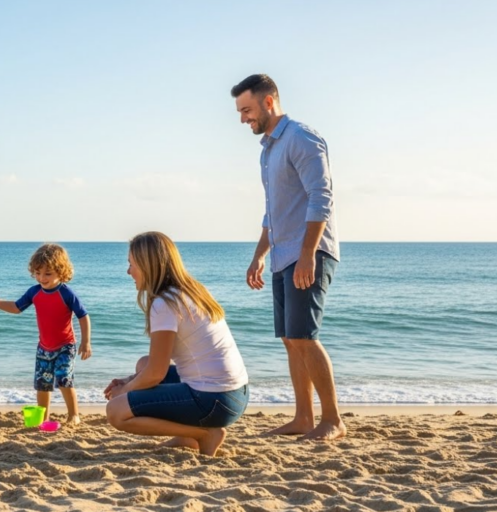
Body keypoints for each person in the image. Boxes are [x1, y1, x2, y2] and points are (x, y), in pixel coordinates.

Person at [231, 74, 344, 441]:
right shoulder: (268, 149)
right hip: (282, 254)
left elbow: (321, 198)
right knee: (290, 338)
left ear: (268, 102)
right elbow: (273, 211)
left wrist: (309, 254)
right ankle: (302, 418)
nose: (243, 118)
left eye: (246, 109)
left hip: (307, 252)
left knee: (305, 337)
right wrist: (258, 256)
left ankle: (333, 421)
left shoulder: (301, 137)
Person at [105, 232, 249, 457]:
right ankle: (186, 436)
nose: (128, 271)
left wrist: (123, 391)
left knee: (116, 411)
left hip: (213, 400)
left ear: (147, 265)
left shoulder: (165, 303)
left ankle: (202, 434)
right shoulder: (191, 291)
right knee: (142, 364)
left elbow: (156, 373)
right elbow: (152, 366)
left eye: (131, 264)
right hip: (235, 394)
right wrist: (129, 381)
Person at [0, 243, 92, 425]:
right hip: (44, 347)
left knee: (64, 379)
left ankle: (73, 415)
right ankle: (44, 418)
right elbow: (16, 308)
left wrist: (86, 342)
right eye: (37, 272)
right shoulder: (34, 292)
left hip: (66, 345)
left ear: (61, 271)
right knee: (43, 384)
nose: (42, 278)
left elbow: (83, 316)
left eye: (48, 273)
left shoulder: (66, 293)